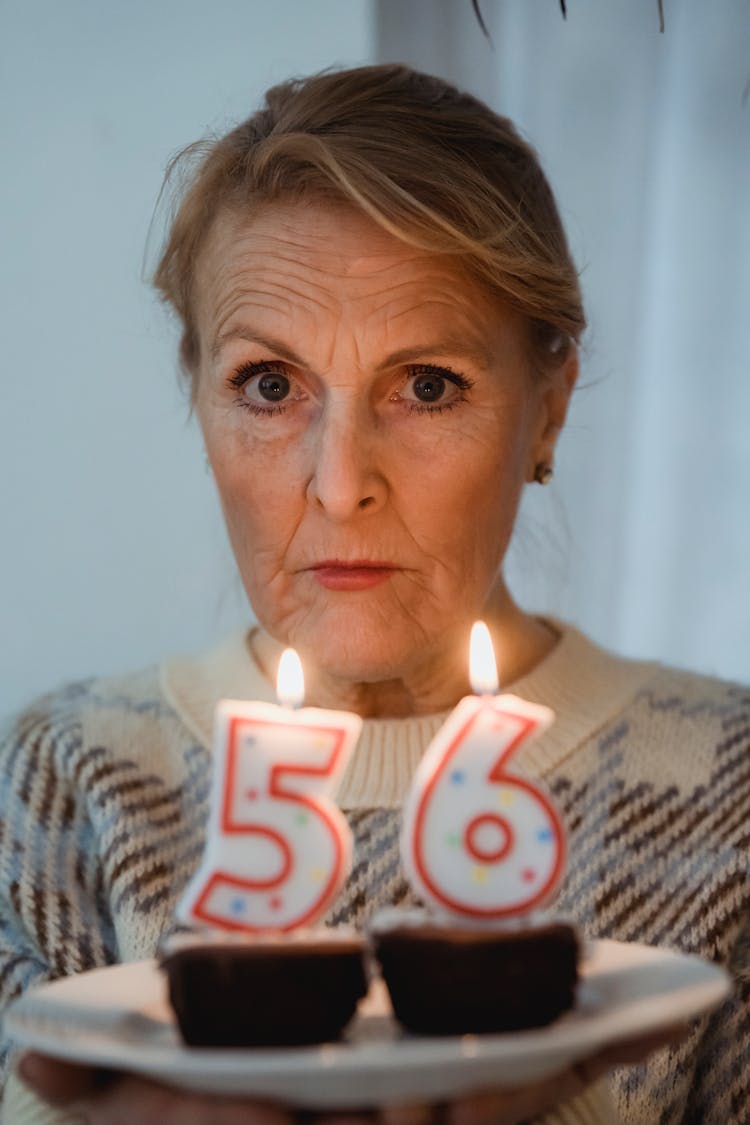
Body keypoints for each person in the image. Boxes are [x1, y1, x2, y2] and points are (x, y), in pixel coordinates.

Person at [0, 63, 748, 1125]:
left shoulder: (734, 785)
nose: (340, 483)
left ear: (548, 407)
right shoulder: (60, 783)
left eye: (428, 386)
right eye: (269, 385)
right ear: (199, 397)